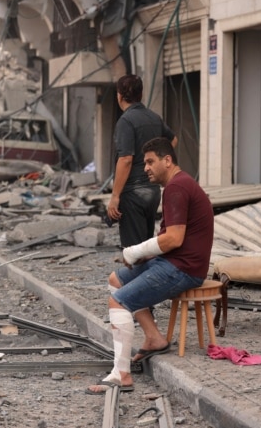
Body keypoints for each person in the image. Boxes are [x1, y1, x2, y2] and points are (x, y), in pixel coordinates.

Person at [86, 138, 214, 395]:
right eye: (144, 163)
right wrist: (142, 256)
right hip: (175, 260)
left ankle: (121, 374)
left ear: (167, 160)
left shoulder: (177, 188)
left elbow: (174, 239)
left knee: (118, 302)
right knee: (116, 280)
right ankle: (154, 337)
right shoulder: (178, 184)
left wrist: (135, 251)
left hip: (183, 268)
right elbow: (173, 239)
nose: (145, 168)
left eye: (150, 162)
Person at [107, 74, 178, 248]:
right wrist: (159, 163)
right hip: (152, 192)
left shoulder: (126, 121)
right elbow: (173, 140)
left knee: (133, 251)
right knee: (145, 247)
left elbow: (125, 159)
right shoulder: (154, 117)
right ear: (141, 95)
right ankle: (146, 275)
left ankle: (135, 275)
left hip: (133, 193)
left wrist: (115, 196)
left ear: (120, 95)